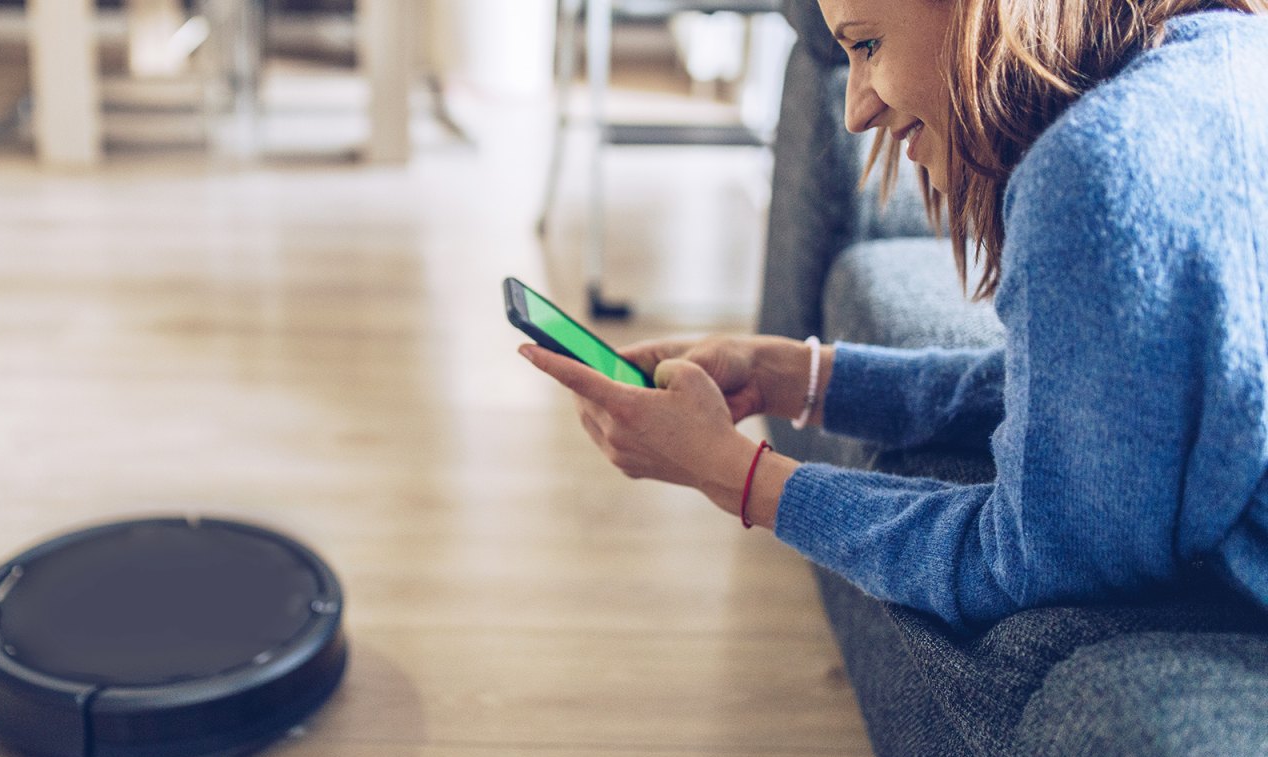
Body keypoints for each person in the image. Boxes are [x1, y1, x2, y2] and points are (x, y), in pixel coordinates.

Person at [521, 0, 1268, 635]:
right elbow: (1085, 398)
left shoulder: (1096, 170)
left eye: (868, 45)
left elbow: (1026, 563)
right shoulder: (1223, 60)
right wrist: (795, 376)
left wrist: (729, 472)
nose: (854, 112)